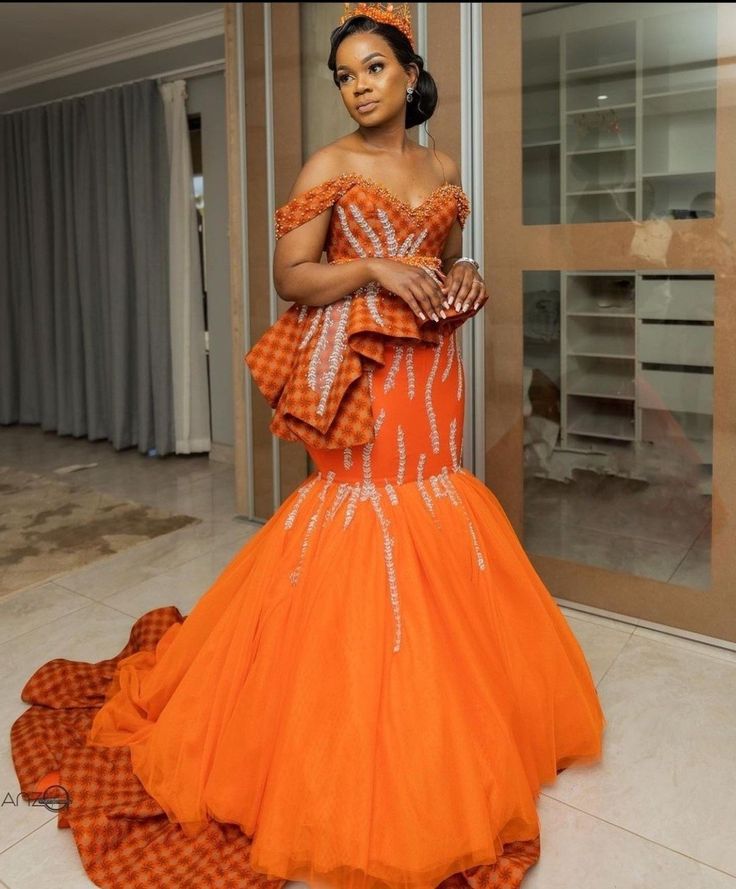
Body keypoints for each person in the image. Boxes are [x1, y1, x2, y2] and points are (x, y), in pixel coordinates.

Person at [10, 4, 606, 889]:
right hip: (364, 373)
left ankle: (441, 719)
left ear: (409, 73)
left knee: (437, 500)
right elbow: (291, 275)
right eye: (345, 75)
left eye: (373, 68)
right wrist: (371, 267)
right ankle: (341, 728)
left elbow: (447, 257)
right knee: (361, 521)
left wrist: (466, 268)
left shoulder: (442, 166)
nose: (358, 87)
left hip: (433, 373)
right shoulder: (330, 164)